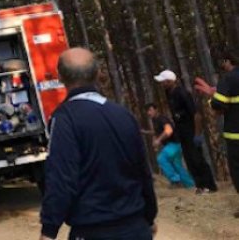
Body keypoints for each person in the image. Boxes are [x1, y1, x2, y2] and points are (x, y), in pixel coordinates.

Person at [40, 48, 157, 240]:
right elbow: (143, 171)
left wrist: (49, 231)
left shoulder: (64, 120)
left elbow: (61, 178)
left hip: (92, 231)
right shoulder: (123, 115)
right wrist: (149, 217)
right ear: (97, 73)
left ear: (60, 77)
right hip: (135, 227)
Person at [153, 70, 217, 193]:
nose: (162, 84)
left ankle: (209, 185)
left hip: (191, 131)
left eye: (163, 81)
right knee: (189, 160)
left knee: (197, 158)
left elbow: (196, 115)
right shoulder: (168, 93)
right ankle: (200, 186)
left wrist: (197, 134)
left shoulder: (182, 93)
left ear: (170, 81)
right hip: (181, 133)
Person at [195, 50, 239, 218]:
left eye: (222, 63)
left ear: (228, 61)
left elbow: (219, 106)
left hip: (236, 136)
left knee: (237, 170)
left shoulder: (228, 79)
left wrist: (211, 98)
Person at [144, 103, 195, 189]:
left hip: (174, 144)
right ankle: (190, 185)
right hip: (173, 145)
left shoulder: (162, 119)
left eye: (150, 110)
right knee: (178, 166)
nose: (149, 113)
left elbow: (168, 130)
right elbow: (157, 132)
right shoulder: (155, 120)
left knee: (161, 158)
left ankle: (175, 180)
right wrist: (145, 132)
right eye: (147, 111)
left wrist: (158, 140)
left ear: (156, 110)